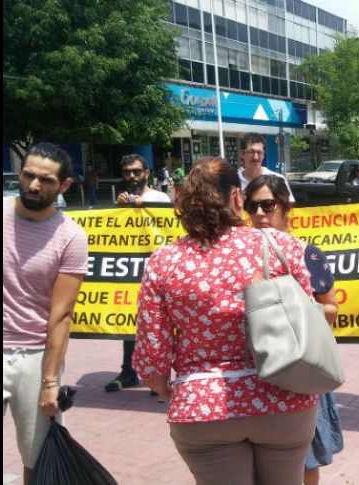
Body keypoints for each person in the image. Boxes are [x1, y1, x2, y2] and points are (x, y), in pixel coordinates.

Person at [132, 158, 318, 485]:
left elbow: (153, 358)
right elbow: (309, 320)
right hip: (285, 398)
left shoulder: (164, 261)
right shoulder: (281, 246)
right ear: (236, 198)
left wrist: (167, 387)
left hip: (202, 408)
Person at [244, 175, 344, 485]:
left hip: (301, 369)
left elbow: (331, 307)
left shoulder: (308, 253)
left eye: (267, 205)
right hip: (255, 370)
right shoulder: (239, 256)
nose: (259, 214)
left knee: (305, 460)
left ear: (287, 209)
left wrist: (293, 312)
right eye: (252, 206)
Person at [3, 142, 89, 484]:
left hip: (35, 358)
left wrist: (50, 381)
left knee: (39, 458)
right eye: (28, 175)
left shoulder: (70, 237)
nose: (34, 186)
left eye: (46, 180)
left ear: (64, 185)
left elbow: (61, 315)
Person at [106, 154, 171, 393]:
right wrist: (121, 209)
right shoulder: (122, 200)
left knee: (158, 325)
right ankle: (128, 371)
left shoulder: (160, 198)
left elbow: (166, 230)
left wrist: (146, 210)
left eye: (136, 171)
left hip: (156, 270)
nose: (131, 176)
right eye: (126, 172)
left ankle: (158, 375)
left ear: (146, 173)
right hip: (131, 271)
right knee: (128, 322)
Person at [238, 132, 295, 202]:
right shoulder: (232, 181)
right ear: (242, 154)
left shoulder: (278, 180)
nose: (255, 157)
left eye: (259, 152)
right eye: (251, 152)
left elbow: (287, 208)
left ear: (263, 155)